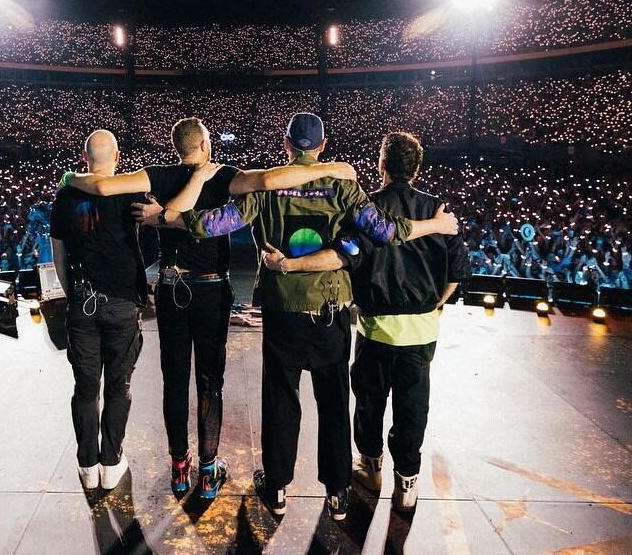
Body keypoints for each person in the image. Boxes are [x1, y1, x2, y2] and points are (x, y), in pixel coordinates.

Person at [138, 113, 459, 521]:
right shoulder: (343, 185)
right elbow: (386, 231)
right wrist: (436, 224)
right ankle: (338, 494)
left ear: (287, 145)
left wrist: (165, 217)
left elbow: (217, 223)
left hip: (282, 311)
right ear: (322, 146)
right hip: (330, 311)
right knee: (334, 404)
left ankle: (276, 489)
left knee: (280, 402)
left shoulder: (267, 186)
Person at [64, 117, 356, 498]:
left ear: (177, 146)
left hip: (171, 290)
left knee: (173, 381)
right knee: (209, 382)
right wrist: (331, 169)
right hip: (214, 292)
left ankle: (179, 469)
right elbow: (268, 180)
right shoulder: (224, 175)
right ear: (204, 145)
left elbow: (103, 184)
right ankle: (207, 473)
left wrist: (72, 178)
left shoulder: (157, 175)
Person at [261, 132, 469, 513]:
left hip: (373, 329)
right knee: (411, 407)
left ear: (381, 165)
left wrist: (288, 265)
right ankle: (403, 484)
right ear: (417, 169)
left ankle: (368, 470)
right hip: (422, 332)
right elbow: (456, 273)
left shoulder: (365, 207)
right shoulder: (439, 212)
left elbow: (346, 256)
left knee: (367, 405)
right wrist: (433, 305)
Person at [50, 129, 147, 491]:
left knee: (85, 388)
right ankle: (111, 462)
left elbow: (59, 254)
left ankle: (87, 465)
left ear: (83, 156)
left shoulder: (65, 195)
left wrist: (73, 295)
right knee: (119, 387)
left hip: (82, 303)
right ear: (118, 157)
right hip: (122, 303)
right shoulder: (131, 192)